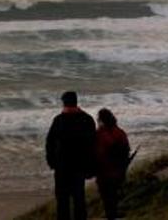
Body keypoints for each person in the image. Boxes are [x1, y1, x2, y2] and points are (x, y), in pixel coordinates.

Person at [45, 91, 97, 220]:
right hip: (79, 166)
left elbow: (49, 142)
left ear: (64, 103)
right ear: (76, 102)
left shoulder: (59, 120)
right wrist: (91, 167)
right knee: (79, 199)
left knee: (63, 201)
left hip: (62, 167)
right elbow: (93, 145)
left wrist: (51, 162)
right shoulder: (87, 119)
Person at [94, 108, 131, 219]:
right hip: (119, 171)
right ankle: (114, 214)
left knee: (107, 198)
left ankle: (111, 215)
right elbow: (127, 150)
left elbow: (97, 154)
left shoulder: (99, 134)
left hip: (104, 172)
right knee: (114, 196)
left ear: (100, 120)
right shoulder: (120, 132)